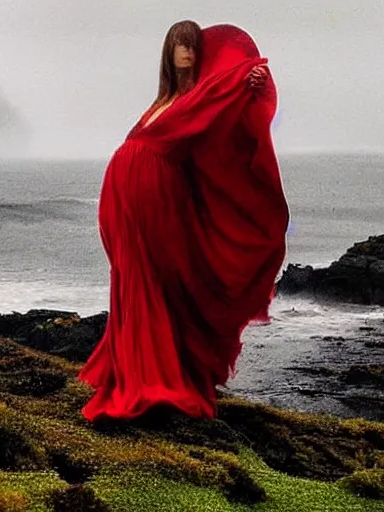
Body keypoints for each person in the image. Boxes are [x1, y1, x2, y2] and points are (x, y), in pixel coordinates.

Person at [78, 21, 289, 421]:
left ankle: (158, 379)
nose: (186, 53)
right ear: (168, 52)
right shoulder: (162, 99)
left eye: (192, 45)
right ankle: (133, 371)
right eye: (179, 45)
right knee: (133, 280)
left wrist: (255, 84)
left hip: (157, 200)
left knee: (159, 282)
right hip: (126, 203)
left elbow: (235, 116)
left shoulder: (203, 95)